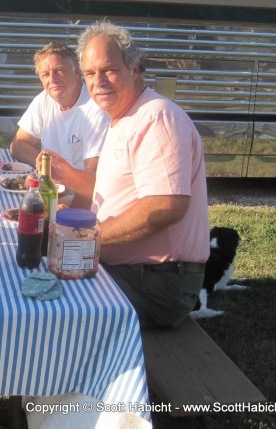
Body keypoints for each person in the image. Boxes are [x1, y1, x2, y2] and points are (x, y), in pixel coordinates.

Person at [79, 20, 209, 327]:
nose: (99, 81)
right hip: (140, 273)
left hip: (157, 283)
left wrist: (91, 237)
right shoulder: (125, 117)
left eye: (109, 69)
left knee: (56, 305)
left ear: (135, 69)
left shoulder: (156, 117)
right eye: (89, 73)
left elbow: (165, 206)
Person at [9, 42, 108, 202]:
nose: (52, 79)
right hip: (50, 191)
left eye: (59, 71)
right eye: (45, 74)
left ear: (77, 71)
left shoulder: (95, 110)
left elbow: (93, 182)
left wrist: (68, 211)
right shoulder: (44, 99)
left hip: (82, 198)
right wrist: (46, 168)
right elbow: (18, 144)